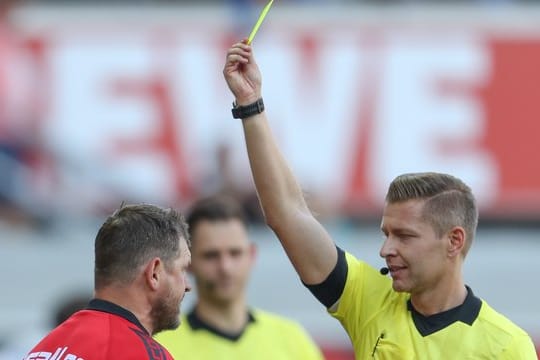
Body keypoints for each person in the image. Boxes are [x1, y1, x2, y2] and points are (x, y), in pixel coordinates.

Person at [222, 41, 537, 358]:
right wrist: (250, 104)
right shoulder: (368, 299)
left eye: (404, 236)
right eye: (387, 234)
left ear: (454, 241)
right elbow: (287, 214)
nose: (386, 250)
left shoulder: (507, 346)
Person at [154, 195, 324, 360]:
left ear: (251, 255)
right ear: (187, 263)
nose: (225, 267)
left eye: (235, 253)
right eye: (211, 255)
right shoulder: (160, 347)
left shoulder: (292, 339)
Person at [24, 204, 192, 360]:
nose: (187, 285)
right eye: (182, 269)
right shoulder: (144, 354)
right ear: (154, 273)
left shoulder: (43, 350)